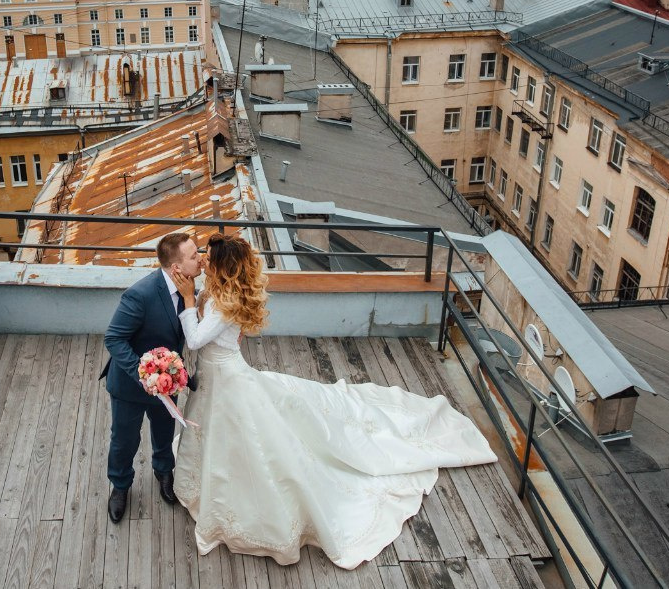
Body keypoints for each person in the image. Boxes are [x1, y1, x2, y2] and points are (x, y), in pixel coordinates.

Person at [172, 234, 497, 569]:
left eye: (208, 255)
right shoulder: (221, 293)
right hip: (218, 377)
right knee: (228, 434)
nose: (204, 259)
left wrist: (186, 299)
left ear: (222, 267)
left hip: (227, 379)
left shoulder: (224, 304)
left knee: (249, 439)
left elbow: (196, 340)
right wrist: (198, 297)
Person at [101, 231, 204, 523]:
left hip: (168, 383)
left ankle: (163, 471)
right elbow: (114, 338)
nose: (200, 260)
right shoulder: (141, 294)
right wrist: (144, 375)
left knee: (163, 432)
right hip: (131, 386)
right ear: (176, 268)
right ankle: (120, 485)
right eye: (194, 256)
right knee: (124, 440)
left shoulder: (190, 291)